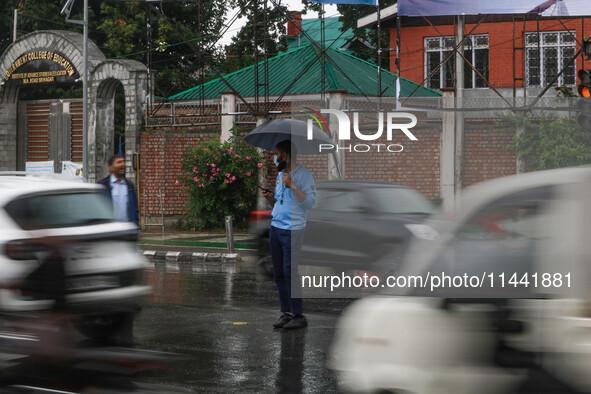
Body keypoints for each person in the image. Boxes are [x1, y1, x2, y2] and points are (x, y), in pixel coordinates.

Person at [262, 140, 316, 330]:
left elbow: (309, 203)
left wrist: (292, 185)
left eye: (276, 154)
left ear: (284, 156)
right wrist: (270, 199)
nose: (274, 158)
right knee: (278, 273)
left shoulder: (304, 176)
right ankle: (286, 313)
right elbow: (280, 203)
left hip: (293, 229)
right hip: (276, 228)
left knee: (290, 272)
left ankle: (299, 315)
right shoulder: (279, 176)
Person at [98, 154, 139, 226]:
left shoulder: (129, 186)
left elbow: (134, 210)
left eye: (123, 162)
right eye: (119, 162)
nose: (123, 164)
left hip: (126, 232)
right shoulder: (103, 186)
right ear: (111, 167)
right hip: (109, 231)